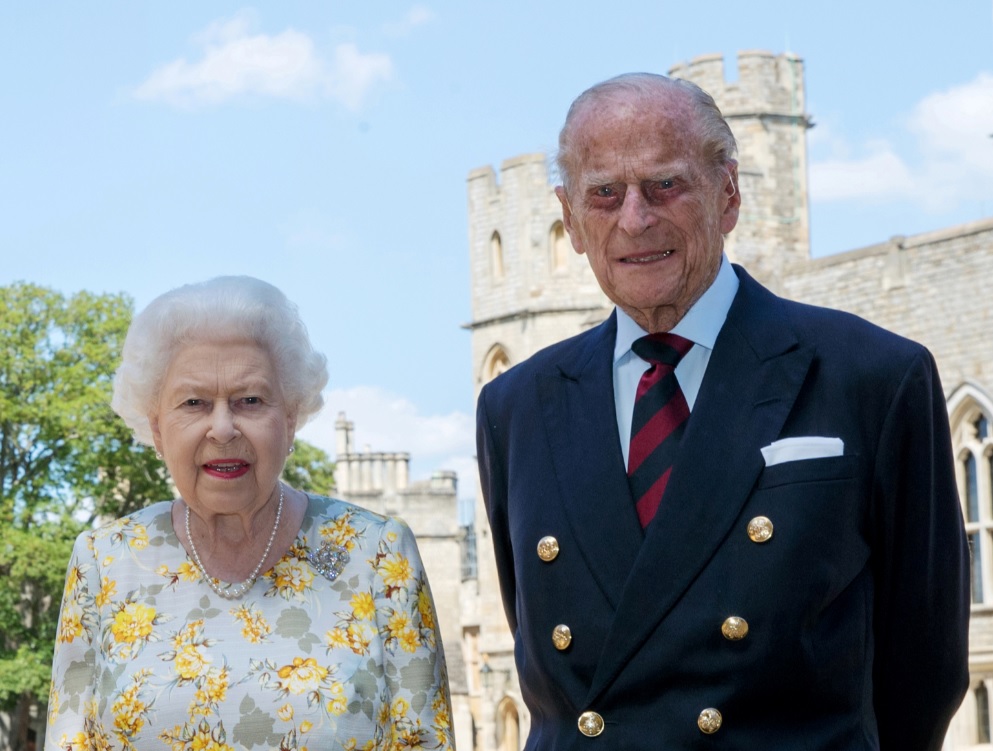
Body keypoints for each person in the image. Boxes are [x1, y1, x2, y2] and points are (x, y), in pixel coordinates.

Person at [475, 73, 969, 749]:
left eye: (664, 185)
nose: (634, 218)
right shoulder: (515, 405)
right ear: (570, 219)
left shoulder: (872, 376)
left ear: (727, 195)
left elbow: (924, 670)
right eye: (603, 194)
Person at [47, 276, 454, 751]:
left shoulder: (379, 554)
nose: (222, 427)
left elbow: (425, 742)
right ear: (157, 429)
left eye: (250, 401)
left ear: (290, 419)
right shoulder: (102, 562)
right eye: (194, 402)